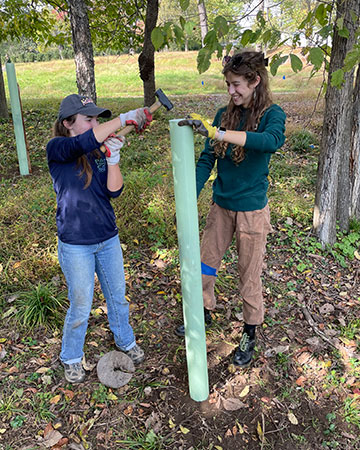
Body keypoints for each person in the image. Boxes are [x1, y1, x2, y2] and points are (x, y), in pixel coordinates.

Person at [176, 50, 286, 368]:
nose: (231, 91)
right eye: (228, 84)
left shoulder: (272, 114)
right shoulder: (223, 114)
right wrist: (187, 197)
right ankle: (204, 312)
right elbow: (207, 159)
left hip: (251, 211)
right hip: (221, 208)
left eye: (237, 84)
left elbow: (269, 141)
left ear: (255, 81)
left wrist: (219, 134)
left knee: (248, 277)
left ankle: (250, 332)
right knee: (205, 265)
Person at [46, 94, 152, 383]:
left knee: (117, 297)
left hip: (107, 238)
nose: (95, 123)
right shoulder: (57, 148)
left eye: (97, 119)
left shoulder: (97, 151)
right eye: (88, 119)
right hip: (75, 244)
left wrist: (113, 158)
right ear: (68, 123)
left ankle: (125, 341)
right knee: (81, 305)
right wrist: (122, 119)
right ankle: (70, 356)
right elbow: (80, 143)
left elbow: (113, 192)